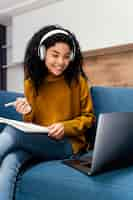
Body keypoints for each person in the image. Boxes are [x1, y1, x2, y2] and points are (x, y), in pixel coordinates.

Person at [0, 24, 95, 199]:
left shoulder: (77, 81)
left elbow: (88, 118)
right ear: (43, 53)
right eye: (55, 55)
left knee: (12, 132)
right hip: (41, 141)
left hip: (68, 145)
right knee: (10, 160)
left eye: (66, 57)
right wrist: (28, 111)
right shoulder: (31, 83)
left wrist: (65, 127)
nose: (61, 62)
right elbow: (31, 127)